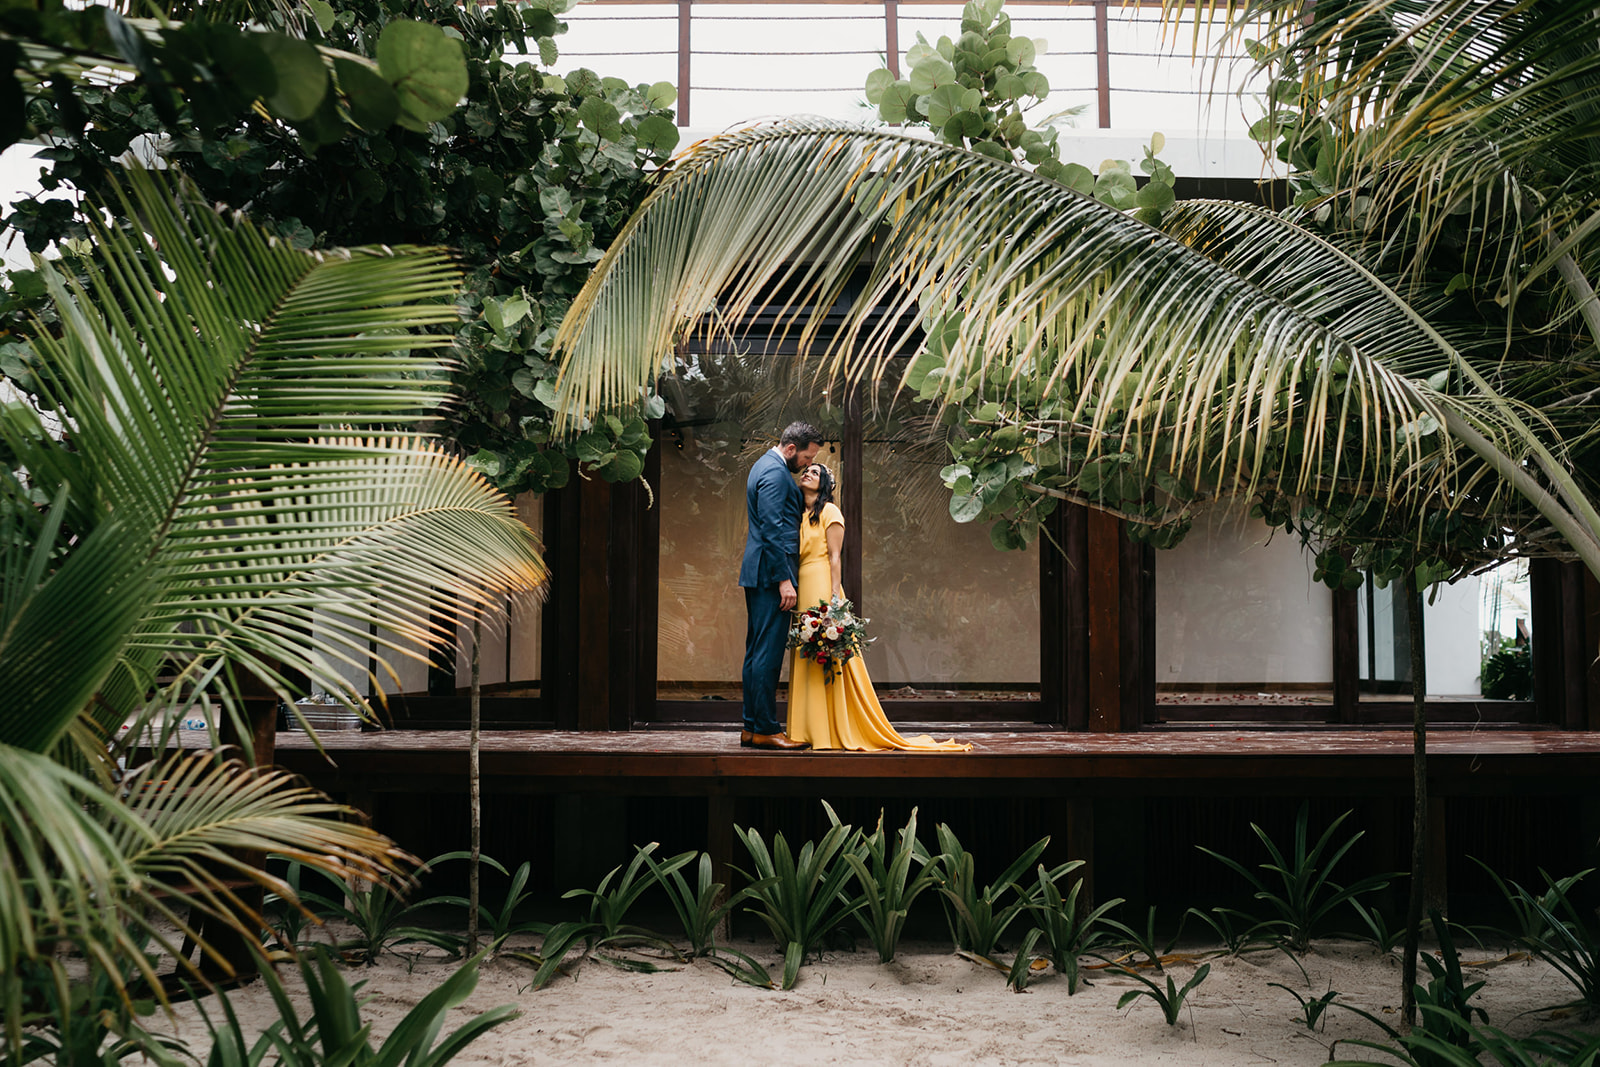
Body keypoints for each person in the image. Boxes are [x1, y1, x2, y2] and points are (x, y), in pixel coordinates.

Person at [786, 462, 971, 752]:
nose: (808, 473)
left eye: (816, 472)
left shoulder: (830, 512)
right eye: (806, 470)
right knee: (806, 653)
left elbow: (835, 557)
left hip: (822, 583)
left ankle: (832, 728)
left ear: (824, 485)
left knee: (828, 653)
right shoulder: (799, 514)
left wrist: (834, 601)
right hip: (803, 584)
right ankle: (807, 728)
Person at [738, 421, 823, 750]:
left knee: (756, 652)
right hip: (770, 574)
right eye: (806, 457)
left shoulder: (766, 466)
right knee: (767, 655)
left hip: (763, 571)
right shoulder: (774, 473)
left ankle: (751, 725)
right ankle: (765, 729)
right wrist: (784, 580)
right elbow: (772, 530)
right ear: (790, 449)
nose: (807, 464)